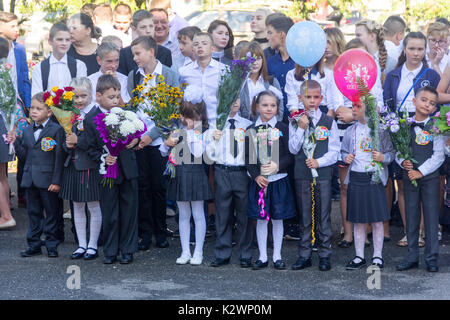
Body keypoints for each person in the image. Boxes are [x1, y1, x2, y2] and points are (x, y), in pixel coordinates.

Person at [384, 32, 441, 247]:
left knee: (426, 180)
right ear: (404, 50)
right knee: (404, 182)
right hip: (401, 130)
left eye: (420, 49)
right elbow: (388, 105)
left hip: (425, 129)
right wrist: (394, 129)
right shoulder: (393, 75)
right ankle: (411, 232)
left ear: (424, 50)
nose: (416, 53)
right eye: (412, 49)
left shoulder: (431, 74)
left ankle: (425, 231)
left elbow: (437, 104)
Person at [127, 35, 179, 251]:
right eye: (133, 55)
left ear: (151, 52)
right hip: (139, 140)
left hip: (159, 141)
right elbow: (131, 107)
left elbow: (172, 111)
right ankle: (145, 232)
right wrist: (137, 136)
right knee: (142, 186)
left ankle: (161, 230)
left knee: (158, 187)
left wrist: (152, 135)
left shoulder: (168, 75)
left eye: (138, 54)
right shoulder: (134, 76)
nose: (135, 58)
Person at [84, 74, 139, 264]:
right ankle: (110, 250)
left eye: (117, 96)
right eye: (111, 97)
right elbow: (89, 147)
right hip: (106, 171)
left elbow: (135, 135)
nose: (116, 100)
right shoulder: (91, 119)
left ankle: (128, 249)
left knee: (129, 210)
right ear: (98, 96)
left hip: (128, 168)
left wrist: (135, 140)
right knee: (110, 211)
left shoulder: (125, 114)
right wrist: (103, 157)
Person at [289, 80, 339, 271]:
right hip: (302, 174)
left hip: (323, 174)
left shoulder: (329, 121)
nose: (312, 101)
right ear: (300, 98)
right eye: (308, 97)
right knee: (304, 215)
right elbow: (293, 149)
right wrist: (301, 127)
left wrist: (320, 162)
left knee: (323, 215)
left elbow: (335, 150)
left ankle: (325, 254)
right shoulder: (295, 121)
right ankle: (304, 254)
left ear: (321, 98)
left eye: (315, 97)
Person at [161, 85, 212, 265]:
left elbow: (199, 153)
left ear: (198, 116)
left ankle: (198, 251)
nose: (186, 119)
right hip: (180, 175)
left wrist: (192, 132)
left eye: (191, 116)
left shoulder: (203, 133)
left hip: (196, 173)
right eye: (185, 116)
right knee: (183, 214)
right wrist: (167, 143)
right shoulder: (177, 132)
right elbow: (163, 151)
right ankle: (185, 251)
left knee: (198, 213)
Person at [396, 86, 444, 272]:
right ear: (414, 101)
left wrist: (421, 172)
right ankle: (411, 255)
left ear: (435, 108)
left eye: (432, 103)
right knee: (411, 215)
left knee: (431, 218)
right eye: (424, 100)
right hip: (409, 177)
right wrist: (403, 161)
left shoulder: (436, 126)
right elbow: (398, 150)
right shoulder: (403, 125)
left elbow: (438, 156)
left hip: (430, 178)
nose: (427, 105)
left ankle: (431, 257)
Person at [246, 90, 296, 270]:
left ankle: (277, 256)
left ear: (277, 108)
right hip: (260, 182)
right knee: (261, 219)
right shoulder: (251, 129)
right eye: (265, 105)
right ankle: (262, 256)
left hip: (279, 180)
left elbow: (290, 155)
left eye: (273, 105)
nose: (269, 108)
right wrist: (256, 175)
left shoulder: (282, 128)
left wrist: (278, 166)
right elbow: (249, 158)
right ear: (257, 107)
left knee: (277, 219)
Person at [12, 92, 65, 257]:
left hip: (48, 180)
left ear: (49, 112)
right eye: (32, 108)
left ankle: (51, 244)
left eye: (38, 108)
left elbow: (58, 158)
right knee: (33, 214)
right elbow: (24, 156)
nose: (33, 111)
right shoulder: (27, 130)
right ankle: (34, 244)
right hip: (30, 180)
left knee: (52, 214)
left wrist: (57, 181)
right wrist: (14, 142)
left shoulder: (56, 130)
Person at [206, 98, 254, 268]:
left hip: (241, 173)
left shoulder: (247, 124)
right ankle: (222, 252)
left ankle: (245, 253)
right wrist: (213, 138)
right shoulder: (215, 124)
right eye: (230, 98)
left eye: (238, 99)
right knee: (222, 214)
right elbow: (207, 155)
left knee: (244, 215)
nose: (234, 102)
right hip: (222, 171)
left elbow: (252, 152)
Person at [60, 77, 102, 260]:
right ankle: (81, 245)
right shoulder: (68, 114)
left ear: (91, 94)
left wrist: (79, 141)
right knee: (76, 206)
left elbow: (99, 143)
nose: (79, 100)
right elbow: (64, 140)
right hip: (73, 164)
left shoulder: (96, 114)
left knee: (93, 205)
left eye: (83, 96)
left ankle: (93, 245)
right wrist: (67, 145)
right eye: (75, 97)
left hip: (90, 166)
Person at [179, 32, 226, 126]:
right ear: (193, 49)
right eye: (196, 44)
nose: (200, 46)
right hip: (194, 123)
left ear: (212, 48)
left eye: (204, 43)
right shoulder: (184, 71)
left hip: (217, 123)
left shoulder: (224, 70)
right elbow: (179, 97)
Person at [31, 22, 87, 96]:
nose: (64, 43)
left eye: (67, 40)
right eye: (60, 39)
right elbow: (36, 96)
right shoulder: (40, 68)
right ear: (50, 41)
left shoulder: (79, 66)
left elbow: (82, 94)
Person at [238, 41, 283, 121]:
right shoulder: (238, 84)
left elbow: (280, 108)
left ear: (263, 60)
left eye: (258, 58)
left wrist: (272, 128)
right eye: (251, 59)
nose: (255, 63)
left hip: (269, 130)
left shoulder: (272, 81)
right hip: (244, 129)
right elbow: (235, 110)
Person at [118, 10, 173, 76]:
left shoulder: (165, 53)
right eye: (143, 27)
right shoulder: (124, 54)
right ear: (134, 30)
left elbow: (168, 77)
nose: (148, 31)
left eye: (151, 26)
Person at [266, 16, 295, 121]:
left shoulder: (300, 62)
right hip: (275, 119)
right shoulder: (269, 62)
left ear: (281, 35)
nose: (267, 37)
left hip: (297, 119)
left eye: (270, 33)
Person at [0, 37, 16, 229]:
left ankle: (6, 215)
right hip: (5, 123)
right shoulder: (7, 71)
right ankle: (6, 213)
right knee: (2, 175)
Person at [0, 11, 31, 107]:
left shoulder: (20, 49)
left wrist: (28, 105)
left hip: (17, 104)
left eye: (17, 26)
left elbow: (25, 78)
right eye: (12, 26)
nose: (17, 30)